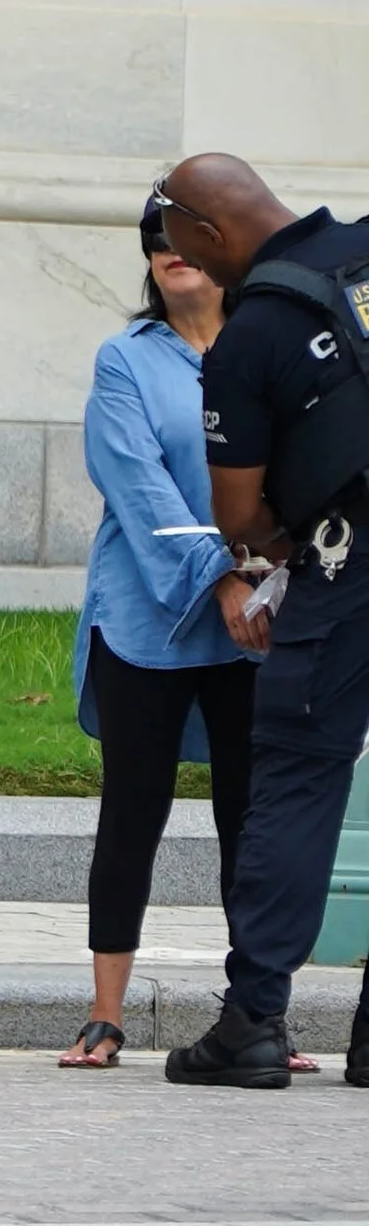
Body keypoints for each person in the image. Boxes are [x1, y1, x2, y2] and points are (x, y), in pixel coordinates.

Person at [144, 153, 369, 1090]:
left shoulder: (251, 337)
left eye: (173, 239)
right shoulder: (363, 255)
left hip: (346, 557)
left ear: (205, 231)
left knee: (297, 773)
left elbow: (236, 515)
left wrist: (279, 541)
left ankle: (254, 1023)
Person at [57, 229, 257, 1069]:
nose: (173, 251)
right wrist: (220, 577)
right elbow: (138, 486)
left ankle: (257, 1012)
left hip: (258, 622)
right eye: (158, 239)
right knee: (133, 810)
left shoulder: (266, 349)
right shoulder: (123, 360)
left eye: (191, 236)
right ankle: (105, 1016)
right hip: (145, 620)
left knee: (252, 820)